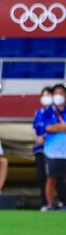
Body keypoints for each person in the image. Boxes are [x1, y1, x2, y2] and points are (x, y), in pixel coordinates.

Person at [41, 83, 66, 212]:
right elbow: (48, 127)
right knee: (51, 179)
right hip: (52, 151)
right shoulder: (48, 112)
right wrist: (62, 127)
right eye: (56, 93)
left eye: (61, 93)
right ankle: (50, 204)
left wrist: (57, 127)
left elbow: (54, 127)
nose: (59, 96)